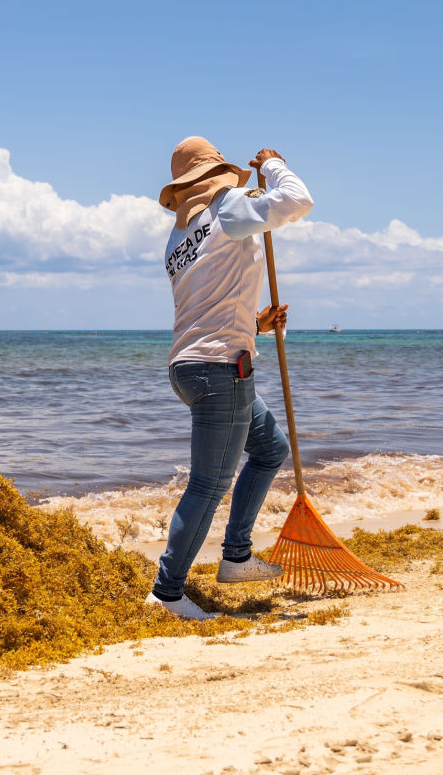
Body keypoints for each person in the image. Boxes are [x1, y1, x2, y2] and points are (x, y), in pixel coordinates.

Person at [148, 136, 314, 620]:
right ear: (215, 176)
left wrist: (254, 324)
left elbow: (207, 302)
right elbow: (298, 200)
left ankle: (236, 557)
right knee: (208, 483)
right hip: (221, 369)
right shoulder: (228, 208)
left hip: (192, 365)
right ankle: (166, 593)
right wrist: (275, 163)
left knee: (269, 449)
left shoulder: (180, 238)